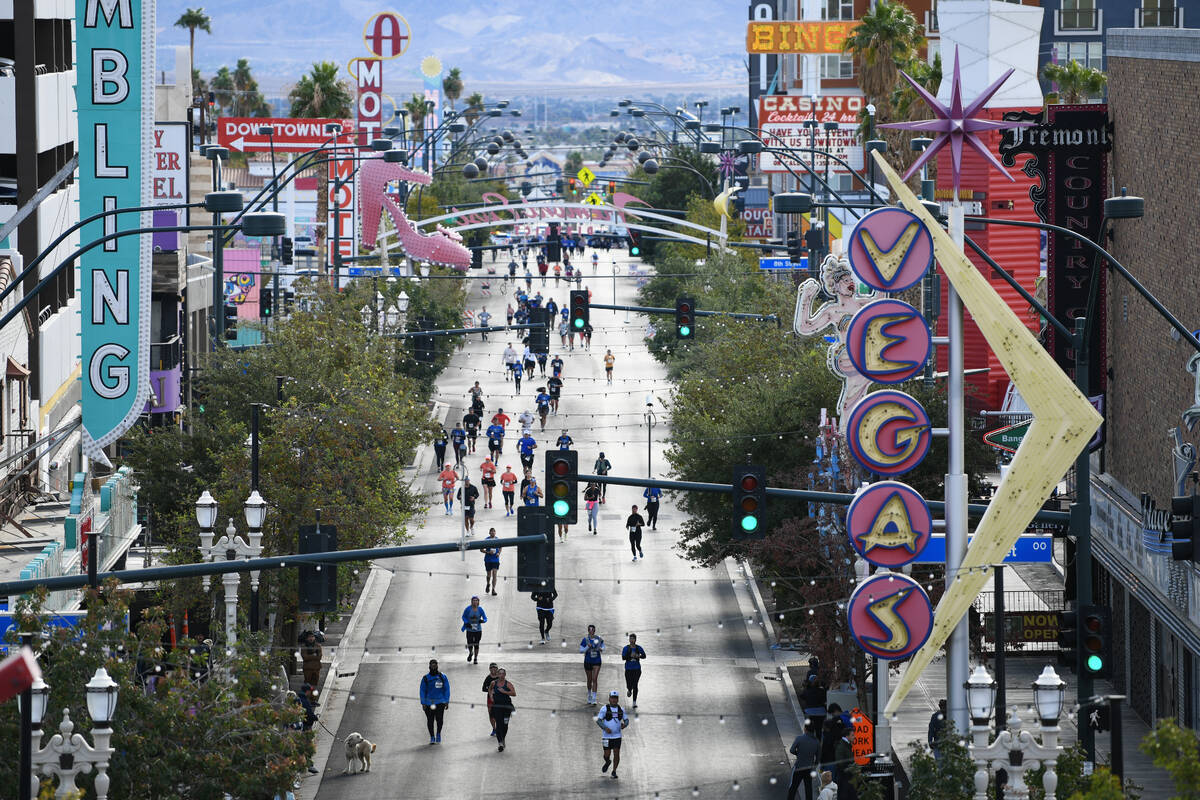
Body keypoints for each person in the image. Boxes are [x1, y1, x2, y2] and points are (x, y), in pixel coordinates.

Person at [595, 690, 629, 779]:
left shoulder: (621, 710)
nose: (614, 700)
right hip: (606, 736)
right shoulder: (604, 709)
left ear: (617, 699)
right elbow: (598, 721)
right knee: (606, 754)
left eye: (615, 698)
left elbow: (626, 720)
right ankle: (607, 761)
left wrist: (624, 725)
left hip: (617, 736)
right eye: (612, 698)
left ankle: (614, 771)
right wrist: (605, 728)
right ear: (609, 699)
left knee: (616, 753)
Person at [787, 721, 822, 800]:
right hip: (809, 768)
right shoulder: (816, 741)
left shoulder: (799, 738)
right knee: (808, 787)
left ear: (805, 729)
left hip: (799, 766)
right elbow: (818, 756)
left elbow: (792, 750)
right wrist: (814, 765)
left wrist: (798, 754)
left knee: (793, 786)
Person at [419, 659, 450, 744]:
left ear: (437, 666)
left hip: (440, 702)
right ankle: (432, 736)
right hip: (429, 703)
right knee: (430, 720)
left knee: (440, 720)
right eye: (432, 665)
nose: (433, 667)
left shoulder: (442, 677)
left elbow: (446, 689)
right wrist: (423, 702)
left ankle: (438, 733)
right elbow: (422, 690)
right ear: (429, 667)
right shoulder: (425, 678)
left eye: (435, 665)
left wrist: (446, 701)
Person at [488, 668, 516, 751]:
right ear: (497, 674)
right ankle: (500, 743)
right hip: (497, 707)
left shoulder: (508, 684)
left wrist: (505, 692)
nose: (501, 675)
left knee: (505, 725)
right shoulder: (493, 683)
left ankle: (503, 738)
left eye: (502, 674)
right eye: (499, 674)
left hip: (507, 707)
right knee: (499, 725)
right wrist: (491, 696)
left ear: (505, 675)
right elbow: (489, 689)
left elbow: (514, 693)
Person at [580, 624, 605, 704]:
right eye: (589, 630)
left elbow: (603, 647)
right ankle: (589, 694)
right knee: (589, 679)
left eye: (592, 630)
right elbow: (581, 650)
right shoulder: (585, 640)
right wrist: (587, 647)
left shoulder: (598, 639)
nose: (591, 631)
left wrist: (601, 648)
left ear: (594, 631)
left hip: (597, 661)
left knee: (595, 679)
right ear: (588, 631)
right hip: (588, 661)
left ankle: (594, 697)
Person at [620, 634, 646, 708]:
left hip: (637, 669)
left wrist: (639, 656)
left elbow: (644, 656)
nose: (631, 640)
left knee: (635, 684)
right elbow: (623, 657)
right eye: (630, 638)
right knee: (629, 684)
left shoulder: (638, 648)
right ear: (629, 640)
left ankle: (634, 702)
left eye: (633, 639)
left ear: (635, 640)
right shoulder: (626, 648)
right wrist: (630, 656)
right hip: (628, 669)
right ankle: (629, 689)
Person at [461, 596, 487, 663]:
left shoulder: (480, 609)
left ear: (478, 602)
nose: (475, 602)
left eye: (476, 600)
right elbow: (463, 616)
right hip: (469, 629)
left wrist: (483, 621)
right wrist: (466, 622)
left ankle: (475, 658)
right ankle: (470, 653)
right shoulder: (468, 609)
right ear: (471, 601)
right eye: (474, 600)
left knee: (476, 644)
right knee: (470, 644)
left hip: (478, 630)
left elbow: (485, 618)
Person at [833, 726, 857, 800]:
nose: (854, 737)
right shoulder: (842, 746)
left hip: (847, 776)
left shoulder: (847, 745)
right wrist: (851, 768)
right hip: (844, 777)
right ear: (847, 736)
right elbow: (840, 762)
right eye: (852, 735)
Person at [482, 663, 500, 736]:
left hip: (499, 698)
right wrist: (490, 690)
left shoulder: (500, 677)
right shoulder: (488, 678)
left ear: (497, 669)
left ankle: (499, 728)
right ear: (489, 669)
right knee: (491, 714)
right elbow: (483, 688)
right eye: (491, 668)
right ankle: (494, 729)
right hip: (490, 698)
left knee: (498, 714)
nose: (493, 669)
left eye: (495, 668)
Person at [483, 528, 500, 595]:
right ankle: (488, 584)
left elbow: (501, 547)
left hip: (495, 559)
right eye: (491, 532)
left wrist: (499, 553)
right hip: (488, 559)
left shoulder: (497, 539)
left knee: (495, 575)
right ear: (489, 533)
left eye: (494, 531)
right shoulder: (486, 540)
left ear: (495, 532)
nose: (493, 533)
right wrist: (488, 552)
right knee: (489, 575)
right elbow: (481, 549)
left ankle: (493, 589)